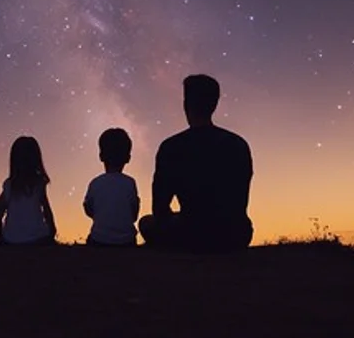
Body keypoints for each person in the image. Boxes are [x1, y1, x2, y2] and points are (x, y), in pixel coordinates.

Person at [138, 74, 253, 252]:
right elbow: (239, 200)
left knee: (146, 223)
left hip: (190, 234)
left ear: (186, 105)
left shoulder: (171, 147)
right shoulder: (237, 144)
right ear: (215, 104)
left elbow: (160, 207)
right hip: (235, 234)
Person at [0, 136, 57, 245]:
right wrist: (52, 230)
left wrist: (1, 234)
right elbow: (46, 210)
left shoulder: (9, 185)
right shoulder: (39, 184)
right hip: (38, 237)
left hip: (12, 238)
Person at [83, 128, 140, 246]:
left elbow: (88, 209)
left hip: (99, 239)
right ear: (128, 157)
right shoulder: (130, 183)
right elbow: (134, 214)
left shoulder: (95, 183)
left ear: (101, 156)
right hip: (126, 241)